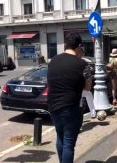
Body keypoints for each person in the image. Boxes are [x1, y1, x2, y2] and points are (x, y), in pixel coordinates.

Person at [47, 32, 92, 163]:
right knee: (68, 143)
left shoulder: (53, 61)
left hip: (53, 106)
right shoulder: (82, 64)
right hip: (71, 107)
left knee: (60, 137)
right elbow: (88, 87)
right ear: (79, 46)